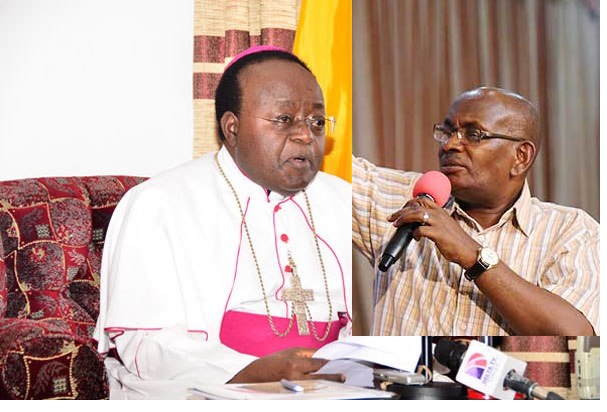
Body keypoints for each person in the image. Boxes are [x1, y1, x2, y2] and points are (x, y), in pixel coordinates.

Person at [94, 46, 352, 399]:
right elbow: (145, 346)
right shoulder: (160, 202)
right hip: (212, 392)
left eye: (317, 122)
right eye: (284, 119)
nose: (306, 135)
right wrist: (248, 372)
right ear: (232, 127)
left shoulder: (345, 202)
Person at [352, 86, 599, 336]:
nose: (449, 144)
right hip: (401, 377)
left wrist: (473, 255)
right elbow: (318, 160)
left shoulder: (571, 231)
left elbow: (576, 337)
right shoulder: (402, 198)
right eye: (447, 131)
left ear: (521, 157)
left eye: (473, 134)